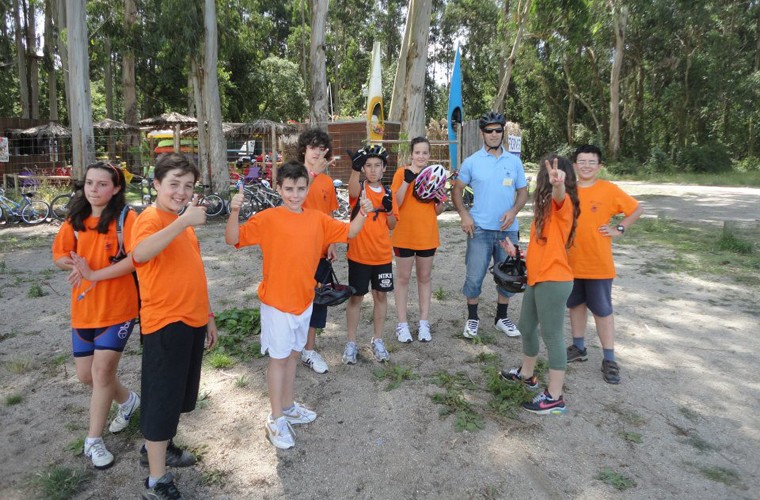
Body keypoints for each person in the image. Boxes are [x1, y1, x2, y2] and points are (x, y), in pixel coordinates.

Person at [226, 160, 373, 450]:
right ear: (279, 188)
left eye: (301, 189)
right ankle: (276, 418)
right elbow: (233, 238)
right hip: (277, 303)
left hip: (304, 301)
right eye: (289, 189)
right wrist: (233, 211)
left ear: (307, 189)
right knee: (278, 360)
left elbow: (350, 232)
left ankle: (288, 406)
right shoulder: (268, 218)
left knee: (293, 356)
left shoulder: (317, 219)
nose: (295, 195)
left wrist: (364, 212)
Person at [130, 153, 218, 499]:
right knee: (161, 399)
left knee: (176, 396)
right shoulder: (150, 218)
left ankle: (160, 449)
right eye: (174, 184)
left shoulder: (181, 221)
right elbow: (140, 254)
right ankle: (157, 481)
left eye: (188, 185)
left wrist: (208, 316)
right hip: (165, 322)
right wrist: (182, 222)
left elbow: (194, 269)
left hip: (191, 320)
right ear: (156, 184)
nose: (181, 192)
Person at [52, 162, 140, 470]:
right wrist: (75, 265)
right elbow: (59, 255)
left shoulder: (126, 218)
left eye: (102, 184)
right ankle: (128, 401)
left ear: (116, 189)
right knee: (86, 376)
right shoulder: (75, 218)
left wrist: (94, 273)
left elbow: (136, 259)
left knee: (102, 373)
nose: (94, 189)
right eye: (90, 183)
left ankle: (93, 440)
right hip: (84, 309)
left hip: (118, 308)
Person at [500, 155, 580, 415]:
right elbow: (544, 248)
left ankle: (555, 397)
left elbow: (560, 197)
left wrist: (559, 186)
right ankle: (527, 375)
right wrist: (518, 254)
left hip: (554, 280)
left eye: (546, 175)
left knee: (552, 335)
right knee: (525, 326)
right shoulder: (545, 212)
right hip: (538, 278)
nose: (543, 179)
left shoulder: (563, 205)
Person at [565, 144, 643, 384]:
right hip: (570, 262)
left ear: (599, 166)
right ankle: (579, 347)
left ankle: (609, 358)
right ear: (574, 165)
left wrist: (619, 228)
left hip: (598, 264)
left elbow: (636, 208)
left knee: (602, 311)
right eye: (582, 162)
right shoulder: (567, 190)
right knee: (575, 305)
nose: (586, 166)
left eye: (592, 162)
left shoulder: (608, 189)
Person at [452, 111, 528, 339]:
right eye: (489, 131)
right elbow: (457, 189)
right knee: (474, 276)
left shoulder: (514, 162)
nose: (494, 134)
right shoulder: (471, 162)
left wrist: (513, 211)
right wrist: (464, 215)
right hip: (480, 230)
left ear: (503, 132)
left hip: (507, 231)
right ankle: (472, 318)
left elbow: (523, 192)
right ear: (481, 133)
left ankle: (501, 318)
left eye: (498, 130)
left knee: (509, 276)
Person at [343, 145, 397, 364]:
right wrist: (354, 169)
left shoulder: (389, 193)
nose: (373, 170)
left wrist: (389, 208)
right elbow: (352, 191)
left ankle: (378, 339)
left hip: (382, 255)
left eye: (377, 165)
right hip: (359, 254)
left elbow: (392, 224)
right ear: (364, 168)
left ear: (384, 168)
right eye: (368, 166)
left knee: (381, 296)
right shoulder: (360, 188)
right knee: (356, 297)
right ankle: (351, 342)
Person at [390, 137, 445, 343]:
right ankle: (402, 324)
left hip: (427, 235)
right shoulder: (401, 173)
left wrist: (440, 199)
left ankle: (423, 323)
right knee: (403, 278)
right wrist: (407, 181)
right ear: (411, 154)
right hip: (404, 235)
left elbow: (438, 210)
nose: (421, 156)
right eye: (417, 152)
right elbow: (396, 203)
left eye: (425, 153)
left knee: (425, 277)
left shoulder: (435, 176)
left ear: (429, 155)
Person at [298, 128, 338, 374]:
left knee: (317, 301)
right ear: (304, 149)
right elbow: (289, 205)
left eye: (322, 149)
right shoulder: (294, 174)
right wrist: (312, 174)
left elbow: (329, 214)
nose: (317, 152)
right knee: (295, 300)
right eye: (313, 147)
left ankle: (309, 350)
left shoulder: (327, 182)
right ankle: (290, 346)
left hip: (321, 251)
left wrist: (332, 241)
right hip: (296, 250)